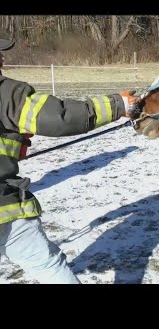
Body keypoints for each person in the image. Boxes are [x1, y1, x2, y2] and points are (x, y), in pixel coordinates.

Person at [0, 32, 138, 284]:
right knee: (48, 266)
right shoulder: (7, 94)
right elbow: (61, 116)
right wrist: (119, 104)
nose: (1, 59)